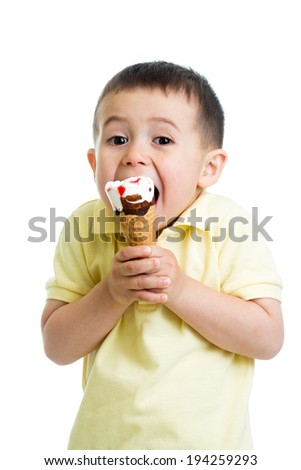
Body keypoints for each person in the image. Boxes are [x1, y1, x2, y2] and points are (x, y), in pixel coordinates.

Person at [41, 61, 283, 450]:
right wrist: (111, 294)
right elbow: (57, 346)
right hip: (104, 449)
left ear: (208, 167)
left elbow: (268, 338)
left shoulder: (228, 223)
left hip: (209, 452)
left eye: (163, 140)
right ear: (93, 163)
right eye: (117, 139)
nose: (134, 154)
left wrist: (182, 290)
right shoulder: (85, 226)